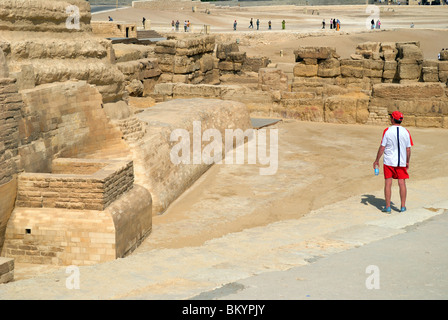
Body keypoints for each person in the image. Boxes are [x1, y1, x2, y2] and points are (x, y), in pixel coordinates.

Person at [373, 111, 414, 213]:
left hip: (389, 161)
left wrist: (377, 160)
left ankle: (388, 207)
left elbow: (382, 147)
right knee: (402, 183)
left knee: (388, 183)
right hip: (401, 161)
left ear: (392, 119)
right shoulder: (406, 131)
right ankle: (403, 207)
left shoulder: (387, 131)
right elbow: (408, 149)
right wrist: (407, 161)